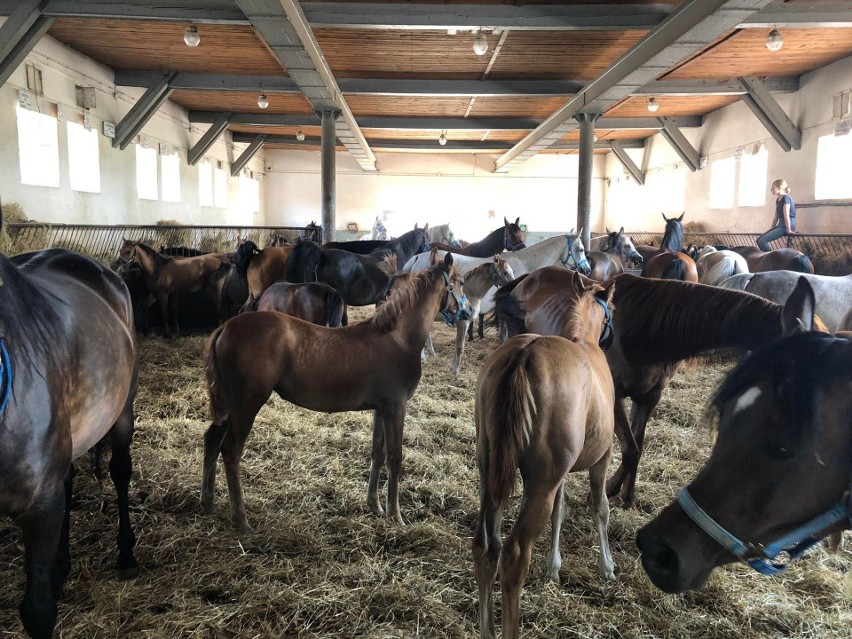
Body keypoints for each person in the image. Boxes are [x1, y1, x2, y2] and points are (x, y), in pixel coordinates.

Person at [757, 178, 796, 251]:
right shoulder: (778, 199)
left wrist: (789, 230)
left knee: (762, 241)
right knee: (758, 240)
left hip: (786, 225)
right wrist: (771, 229)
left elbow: (786, 215)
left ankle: (772, 258)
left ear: (779, 188)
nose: (771, 190)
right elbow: (776, 216)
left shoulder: (786, 198)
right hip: (780, 225)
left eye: (773, 188)